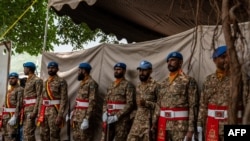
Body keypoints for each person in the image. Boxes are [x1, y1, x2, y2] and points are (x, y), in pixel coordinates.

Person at [197, 46, 242, 141]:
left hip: (235, 126)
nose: (227, 60)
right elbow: (203, 105)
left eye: (230, 57)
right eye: (223, 57)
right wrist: (199, 125)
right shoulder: (209, 80)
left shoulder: (240, 78)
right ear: (215, 60)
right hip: (212, 126)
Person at [156, 52, 199, 141]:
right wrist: (154, 122)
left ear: (180, 62)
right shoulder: (163, 83)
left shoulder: (188, 81)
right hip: (163, 125)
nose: (169, 63)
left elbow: (193, 106)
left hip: (181, 127)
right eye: (168, 61)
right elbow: (158, 105)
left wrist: (191, 129)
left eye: (173, 60)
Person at [102, 62, 136, 141]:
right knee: (105, 138)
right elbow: (105, 101)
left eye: (119, 69)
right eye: (115, 69)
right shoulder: (111, 85)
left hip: (122, 120)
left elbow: (130, 103)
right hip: (109, 117)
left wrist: (117, 116)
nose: (116, 71)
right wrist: (104, 113)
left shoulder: (128, 85)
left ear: (124, 71)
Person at [127, 60, 160, 141]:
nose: (141, 73)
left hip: (149, 122)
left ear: (150, 71)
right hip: (137, 122)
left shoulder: (156, 85)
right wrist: (133, 116)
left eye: (144, 70)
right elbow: (136, 105)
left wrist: (146, 103)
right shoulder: (138, 86)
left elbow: (160, 105)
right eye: (140, 70)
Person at [37, 61, 68, 141]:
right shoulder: (45, 82)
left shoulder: (61, 81)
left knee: (54, 135)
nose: (51, 69)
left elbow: (64, 99)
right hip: (44, 111)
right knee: (43, 134)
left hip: (54, 111)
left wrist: (60, 115)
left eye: (53, 68)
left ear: (57, 69)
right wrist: (39, 113)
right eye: (49, 68)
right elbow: (41, 98)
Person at [67, 62, 98, 141]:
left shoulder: (91, 83)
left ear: (84, 71)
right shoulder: (82, 83)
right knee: (76, 137)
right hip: (77, 115)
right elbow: (80, 101)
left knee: (85, 138)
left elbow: (92, 102)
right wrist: (73, 113)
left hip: (85, 117)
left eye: (79, 70)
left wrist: (87, 119)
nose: (78, 72)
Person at [22, 62, 43, 141]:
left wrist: (35, 111)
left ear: (29, 69)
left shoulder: (37, 80)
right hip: (26, 109)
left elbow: (39, 96)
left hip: (32, 110)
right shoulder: (28, 80)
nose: (24, 70)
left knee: (29, 132)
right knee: (26, 132)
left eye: (25, 68)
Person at [1, 72, 24, 141]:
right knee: (4, 134)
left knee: (11, 135)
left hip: (12, 116)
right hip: (6, 116)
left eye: (13, 78)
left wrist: (15, 116)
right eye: (9, 79)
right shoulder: (9, 90)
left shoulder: (20, 89)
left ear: (17, 79)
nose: (10, 80)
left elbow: (19, 103)